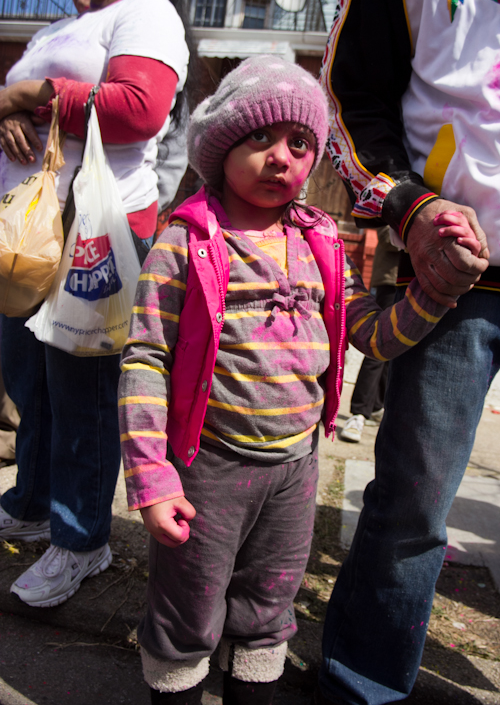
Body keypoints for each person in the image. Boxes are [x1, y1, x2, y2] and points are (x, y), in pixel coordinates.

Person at [117, 56, 480, 705]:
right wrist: (151, 476)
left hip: (295, 471)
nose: (282, 156)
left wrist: (437, 292)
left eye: (300, 142)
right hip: (210, 470)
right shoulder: (187, 241)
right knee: (187, 614)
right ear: (222, 146)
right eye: (261, 137)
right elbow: (145, 357)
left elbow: (374, 335)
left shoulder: (324, 244)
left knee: (267, 610)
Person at [316, 0, 496, 703]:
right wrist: (409, 208)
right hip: (449, 277)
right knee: (414, 502)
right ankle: (363, 684)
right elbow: (350, 97)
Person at [0, 0, 193, 608]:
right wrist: (8, 114)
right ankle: (30, 504)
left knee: (81, 392)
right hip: (26, 231)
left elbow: (138, 111)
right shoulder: (58, 27)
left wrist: (31, 96)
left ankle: (82, 540)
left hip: (93, 229)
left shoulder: (148, 13)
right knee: (28, 381)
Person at [340, 226, 399, 443]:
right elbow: (385, 235)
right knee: (378, 345)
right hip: (392, 280)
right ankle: (358, 413)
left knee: (397, 349)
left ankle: (376, 407)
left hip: (422, 280)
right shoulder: (399, 191)